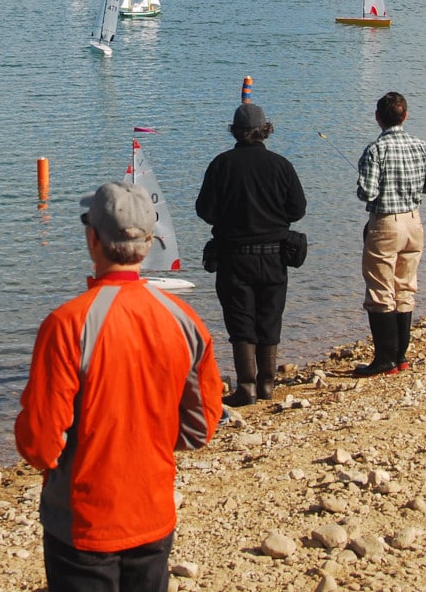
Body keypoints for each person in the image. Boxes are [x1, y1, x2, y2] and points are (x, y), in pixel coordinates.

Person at [16, 181, 222, 592]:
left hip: (83, 523)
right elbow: (200, 428)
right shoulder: (185, 321)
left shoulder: (68, 324)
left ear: (92, 238)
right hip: (153, 511)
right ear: (149, 244)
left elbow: (40, 444)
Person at [194, 102, 307, 405]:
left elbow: (204, 210)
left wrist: (229, 219)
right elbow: (298, 209)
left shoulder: (221, 164)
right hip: (274, 256)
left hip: (234, 257)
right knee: (270, 317)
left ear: (235, 131)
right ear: (264, 130)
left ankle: (246, 387)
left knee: (240, 320)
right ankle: (267, 384)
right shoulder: (281, 165)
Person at [353, 90, 426, 377]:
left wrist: (373, 191)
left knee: (381, 291)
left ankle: (385, 360)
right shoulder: (421, 146)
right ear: (405, 116)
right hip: (414, 222)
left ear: (378, 118)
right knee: (405, 288)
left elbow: (366, 192)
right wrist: (415, 192)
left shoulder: (376, 150)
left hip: (385, 223)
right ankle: (401, 357)